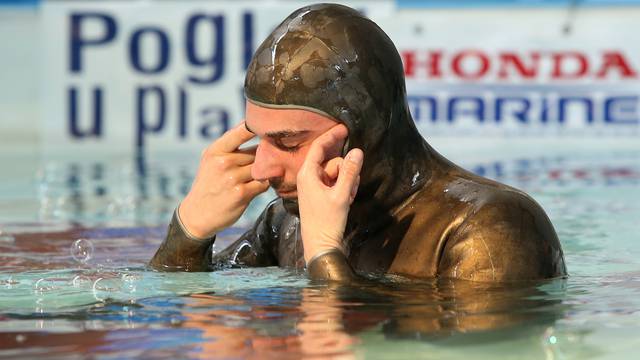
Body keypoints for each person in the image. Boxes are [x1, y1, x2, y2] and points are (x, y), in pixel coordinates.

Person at [150, 3, 567, 282]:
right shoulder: (287, 223)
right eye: (259, 138)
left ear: (364, 129)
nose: (262, 169)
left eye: (290, 141)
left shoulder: (487, 229)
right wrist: (189, 230)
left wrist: (325, 256)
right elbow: (177, 307)